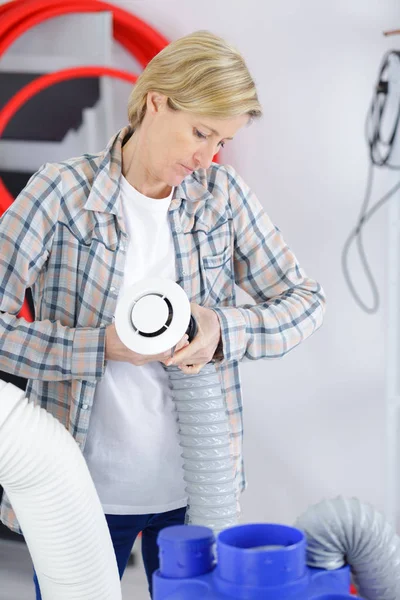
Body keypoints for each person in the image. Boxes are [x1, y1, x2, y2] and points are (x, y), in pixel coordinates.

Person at [0, 30, 326, 598]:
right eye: (200, 132)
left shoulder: (221, 197)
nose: (206, 157)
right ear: (156, 101)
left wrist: (225, 329)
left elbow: (305, 302)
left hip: (197, 493)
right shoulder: (61, 194)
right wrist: (99, 344)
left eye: (220, 142)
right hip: (81, 490)